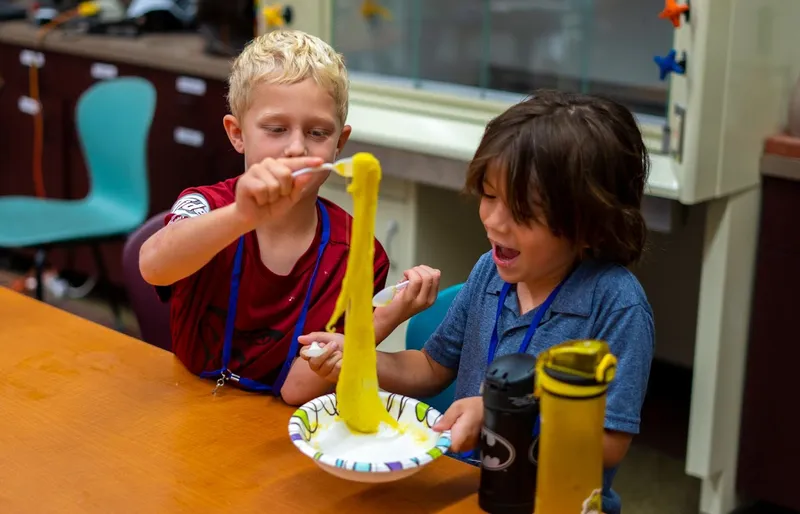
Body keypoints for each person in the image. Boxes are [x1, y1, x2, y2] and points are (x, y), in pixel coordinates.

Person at [299, 89, 655, 514]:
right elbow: (432, 367)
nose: (493, 219)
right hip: (465, 486)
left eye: (523, 211)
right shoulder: (491, 271)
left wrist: (502, 414)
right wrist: (357, 359)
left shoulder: (616, 306)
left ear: (589, 223)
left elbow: (610, 444)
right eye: (489, 196)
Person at [139, 30, 440, 406]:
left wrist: (386, 317)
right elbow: (154, 266)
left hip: (277, 430)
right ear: (237, 134)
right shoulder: (206, 206)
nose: (296, 147)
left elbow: (296, 390)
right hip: (186, 405)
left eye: (317, 133)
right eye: (276, 129)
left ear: (339, 144)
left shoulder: (357, 254)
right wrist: (240, 216)